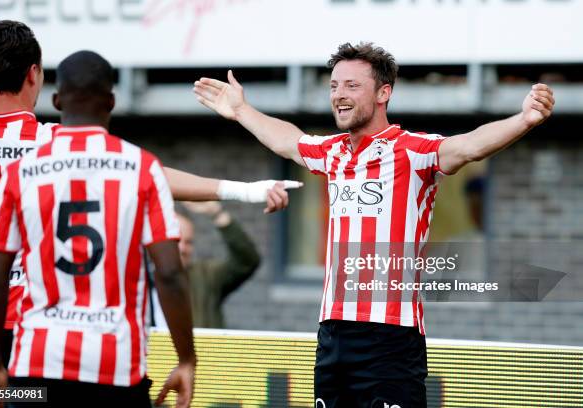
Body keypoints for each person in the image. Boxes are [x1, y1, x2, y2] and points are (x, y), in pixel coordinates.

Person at [193, 42, 555, 407]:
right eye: (334, 86)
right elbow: (288, 141)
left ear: (384, 93)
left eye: (352, 85)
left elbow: (468, 147)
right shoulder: (333, 153)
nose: (339, 95)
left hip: (391, 337)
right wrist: (241, 109)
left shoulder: (413, 150)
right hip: (332, 334)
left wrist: (522, 119)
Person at [0, 19, 298, 392]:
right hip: (36, 327)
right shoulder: (56, 141)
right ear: (35, 74)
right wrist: (245, 190)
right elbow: (152, 176)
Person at [0, 50, 195, 407]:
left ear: (57, 99)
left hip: (36, 367)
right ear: (111, 101)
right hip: (115, 369)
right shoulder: (141, 168)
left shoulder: (20, 172)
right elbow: (170, 273)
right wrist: (186, 359)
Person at [152, 201, 260, 329]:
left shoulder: (205, 278)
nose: (182, 248)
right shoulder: (140, 282)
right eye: (176, 240)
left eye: (188, 242)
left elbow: (247, 260)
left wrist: (217, 213)